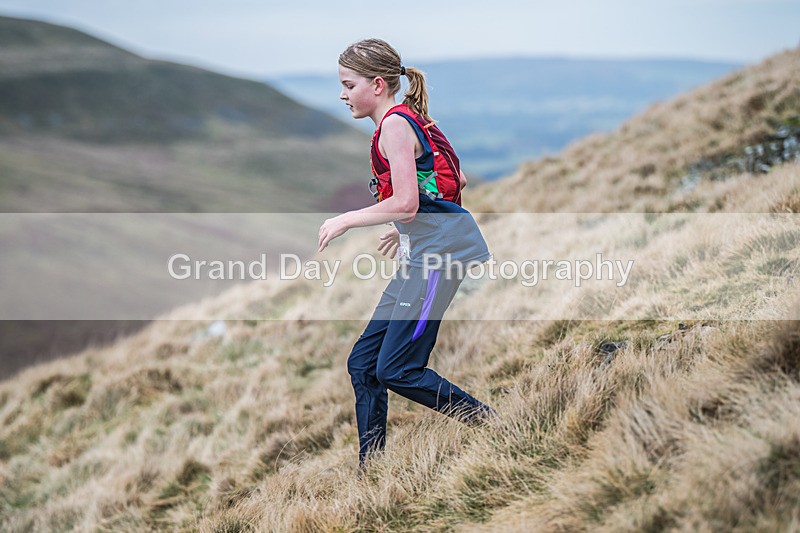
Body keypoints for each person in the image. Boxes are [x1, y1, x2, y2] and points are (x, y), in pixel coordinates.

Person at [318, 38, 495, 469]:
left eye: (348, 84)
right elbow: (459, 179)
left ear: (377, 84)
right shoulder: (413, 120)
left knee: (398, 369)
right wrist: (411, 229)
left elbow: (407, 202)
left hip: (438, 261)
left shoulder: (395, 127)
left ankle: (493, 425)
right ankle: (372, 472)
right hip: (425, 251)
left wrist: (347, 219)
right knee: (363, 364)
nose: (343, 95)